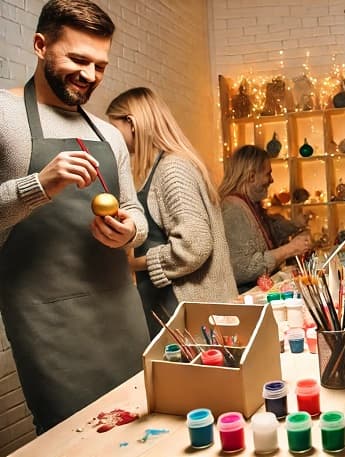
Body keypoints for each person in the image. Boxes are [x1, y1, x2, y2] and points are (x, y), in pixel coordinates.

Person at [0, 0, 149, 432]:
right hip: (44, 319)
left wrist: (128, 234)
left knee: (142, 424)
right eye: (78, 59)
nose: (90, 75)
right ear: (40, 45)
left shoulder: (107, 134)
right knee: (75, 434)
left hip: (119, 307)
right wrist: (39, 186)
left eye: (100, 66)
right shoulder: (5, 117)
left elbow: (135, 211)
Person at [106, 87, 238, 338]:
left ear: (131, 123)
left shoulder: (172, 170)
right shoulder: (168, 166)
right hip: (182, 310)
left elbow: (195, 245)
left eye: (114, 128)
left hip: (188, 313)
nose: (113, 138)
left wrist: (135, 264)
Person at [219, 144, 312, 292]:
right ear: (251, 176)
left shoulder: (249, 204)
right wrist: (289, 249)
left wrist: (295, 225)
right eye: (268, 174)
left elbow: (269, 233)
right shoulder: (233, 209)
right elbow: (242, 269)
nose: (272, 180)